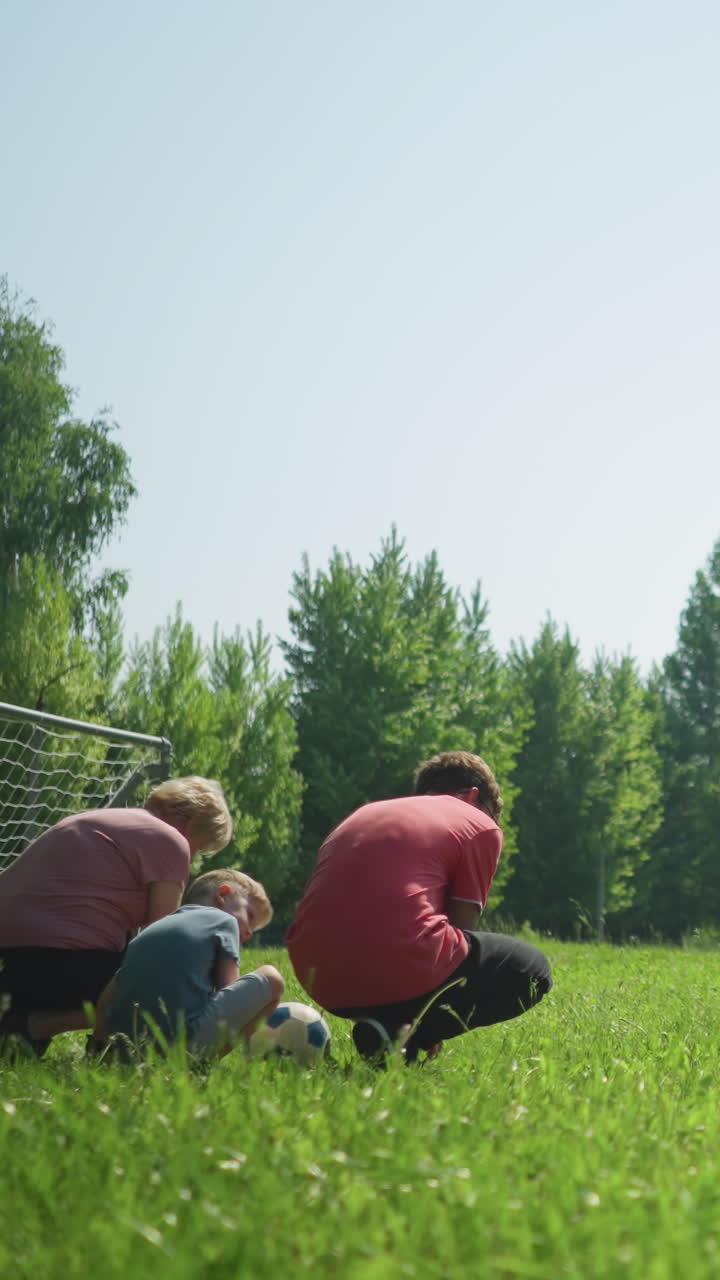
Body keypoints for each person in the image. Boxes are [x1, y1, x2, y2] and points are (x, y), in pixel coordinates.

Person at [286, 751, 552, 1064]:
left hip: (318, 976)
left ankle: (385, 1030)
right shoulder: (480, 824)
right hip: (399, 965)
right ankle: (402, 1035)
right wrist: (434, 1024)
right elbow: (462, 926)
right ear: (472, 796)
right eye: (493, 813)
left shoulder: (364, 814)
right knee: (534, 971)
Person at [0, 775, 233, 1055]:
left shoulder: (102, 819)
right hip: (61, 953)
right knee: (150, 988)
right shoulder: (170, 840)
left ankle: (19, 1026)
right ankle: (37, 1028)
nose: (192, 857)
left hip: (16, 946)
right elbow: (163, 938)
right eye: (201, 847)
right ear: (192, 824)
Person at [94, 868, 284, 1060]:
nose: (250, 932)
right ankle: (200, 1064)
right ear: (223, 894)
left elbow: (105, 1000)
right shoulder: (225, 921)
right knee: (272, 978)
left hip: (124, 1051)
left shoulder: (152, 930)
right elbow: (229, 991)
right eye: (250, 916)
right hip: (179, 1047)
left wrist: (98, 1047)